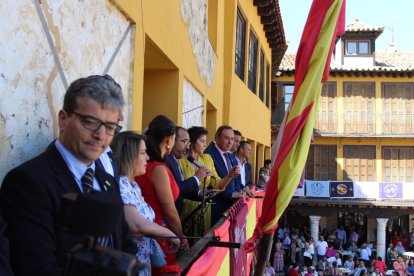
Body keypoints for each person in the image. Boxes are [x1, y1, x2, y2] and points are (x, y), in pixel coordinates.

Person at [0, 75, 137, 275]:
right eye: (90, 122)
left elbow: (125, 245)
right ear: (63, 119)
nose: (100, 135)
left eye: (109, 127)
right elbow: (38, 269)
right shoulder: (27, 182)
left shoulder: (107, 180)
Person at [111, 131, 180, 273]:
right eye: (143, 153)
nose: (147, 158)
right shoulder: (121, 183)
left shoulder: (133, 185)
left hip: (141, 264)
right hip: (130, 266)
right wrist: (170, 234)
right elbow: (136, 224)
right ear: (129, 156)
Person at [135, 115, 189, 271]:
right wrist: (180, 235)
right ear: (169, 139)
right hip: (160, 233)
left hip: (148, 229)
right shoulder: (157, 168)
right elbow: (170, 211)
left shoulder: (145, 164)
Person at [179, 126, 237, 230]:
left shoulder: (207, 158)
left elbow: (218, 184)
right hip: (185, 207)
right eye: (201, 141)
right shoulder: (180, 160)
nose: (205, 145)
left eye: (205, 141)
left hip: (204, 207)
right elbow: (180, 186)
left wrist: (229, 176)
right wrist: (197, 177)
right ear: (191, 141)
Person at [164, 126, 210, 214]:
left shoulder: (174, 158)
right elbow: (173, 189)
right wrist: (196, 178)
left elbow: (181, 189)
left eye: (188, 142)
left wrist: (200, 193)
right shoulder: (166, 160)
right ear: (172, 140)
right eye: (184, 141)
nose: (187, 146)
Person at [204, 125, 243, 226]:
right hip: (217, 208)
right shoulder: (208, 154)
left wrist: (239, 192)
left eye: (232, 139)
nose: (230, 142)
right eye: (226, 138)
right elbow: (211, 184)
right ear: (217, 137)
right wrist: (231, 195)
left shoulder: (230, 155)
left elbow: (236, 179)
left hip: (231, 206)